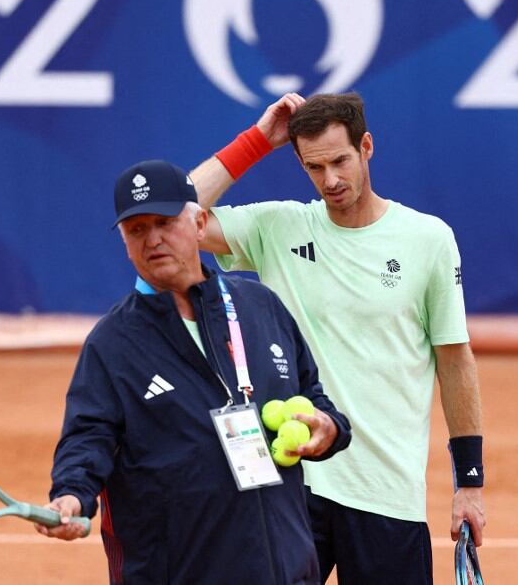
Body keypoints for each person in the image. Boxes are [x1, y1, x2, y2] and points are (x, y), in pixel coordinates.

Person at [188, 92, 485, 584]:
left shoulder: (428, 239)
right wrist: (256, 141)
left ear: (366, 147)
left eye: (340, 161)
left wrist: (470, 483)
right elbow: (176, 216)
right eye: (314, 167)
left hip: (386, 492)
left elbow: (455, 361)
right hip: (290, 486)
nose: (330, 180)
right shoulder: (278, 227)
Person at [36, 159, 352, 585]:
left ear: (200, 223)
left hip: (285, 571)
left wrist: (329, 428)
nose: (153, 239)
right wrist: (71, 494)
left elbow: (313, 395)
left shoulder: (261, 307)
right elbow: (88, 436)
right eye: (137, 230)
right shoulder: (112, 343)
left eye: (165, 223)